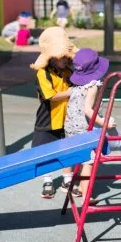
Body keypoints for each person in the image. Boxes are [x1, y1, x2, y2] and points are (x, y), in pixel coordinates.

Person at [30, 27, 78, 198]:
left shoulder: (68, 71)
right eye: (62, 56)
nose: (66, 59)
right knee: (47, 151)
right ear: (51, 57)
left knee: (68, 149)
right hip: (48, 120)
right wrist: (74, 92)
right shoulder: (43, 73)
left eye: (67, 56)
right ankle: (48, 180)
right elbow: (51, 96)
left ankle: (67, 179)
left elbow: (79, 82)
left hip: (67, 118)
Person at [64, 48, 115, 199]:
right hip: (84, 128)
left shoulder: (77, 85)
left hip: (70, 125)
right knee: (89, 161)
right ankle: (86, 195)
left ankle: (80, 187)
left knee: (81, 157)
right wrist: (104, 123)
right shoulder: (92, 86)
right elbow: (87, 109)